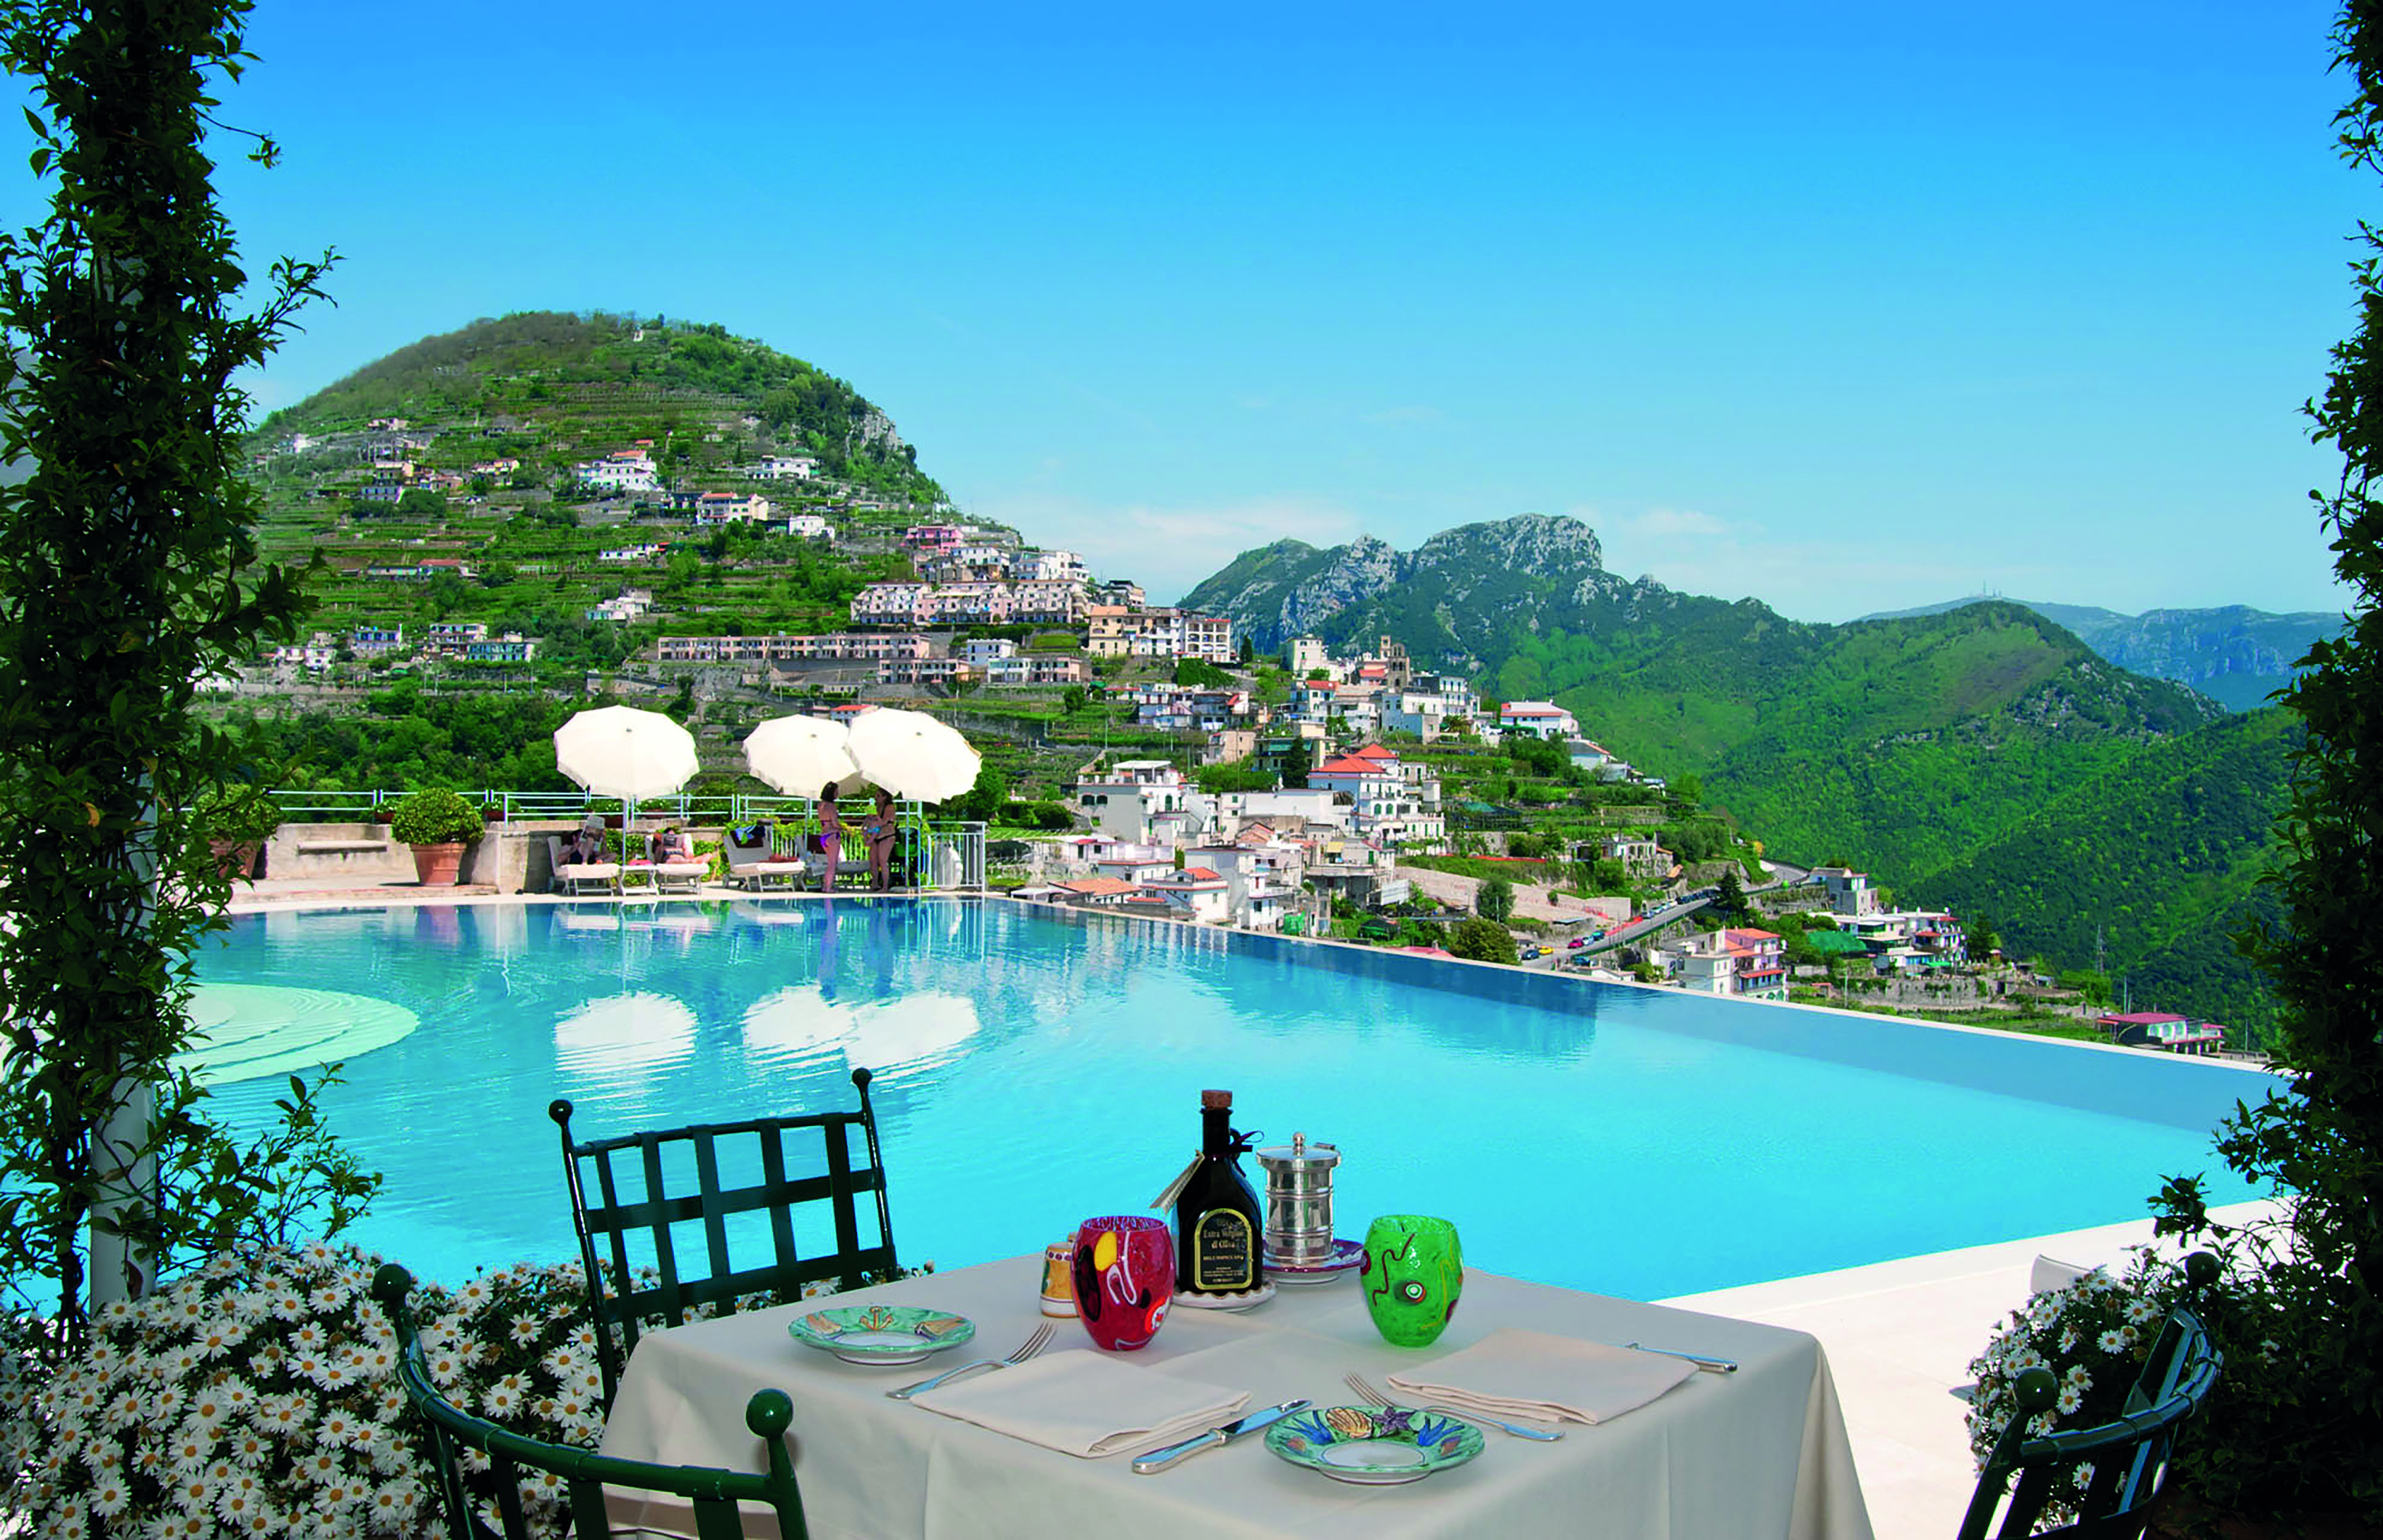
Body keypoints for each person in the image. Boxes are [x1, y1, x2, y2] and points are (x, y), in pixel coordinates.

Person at [864, 787, 900, 892]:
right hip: (877, 836)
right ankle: (875, 883)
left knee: (883, 861)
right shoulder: (878, 807)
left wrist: (875, 819)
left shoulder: (890, 807)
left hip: (887, 836)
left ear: (885, 797)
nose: (876, 798)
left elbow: (883, 822)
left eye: (878, 796)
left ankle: (885, 886)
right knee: (873, 861)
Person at [815, 783, 844, 892]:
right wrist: (843, 828)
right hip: (833, 835)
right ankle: (828, 888)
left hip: (824, 836)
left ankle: (825, 887)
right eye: (836, 792)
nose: (838, 794)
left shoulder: (820, 805)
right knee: (833, 864)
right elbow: (835, 824)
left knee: (829, 863)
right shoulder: (832, 807)